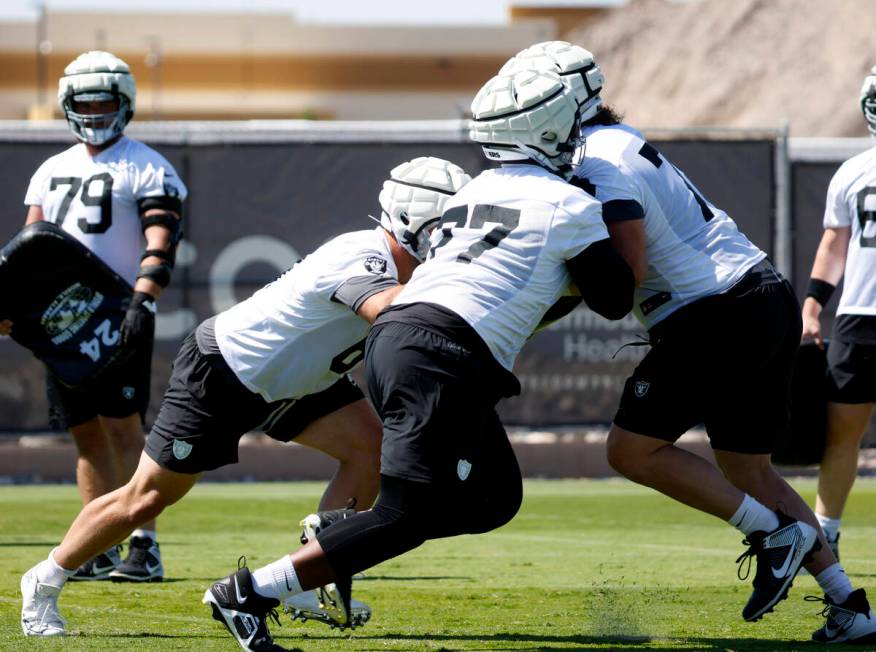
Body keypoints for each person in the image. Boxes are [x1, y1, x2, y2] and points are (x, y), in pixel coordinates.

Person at [203, 67, 635, 652]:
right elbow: (614, 299)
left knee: (495, 498)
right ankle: (249, 591)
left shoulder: (478, 189)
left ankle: (339, 534)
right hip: (439, 354)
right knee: (405, 514)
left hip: (412, 343)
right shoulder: (568, 202)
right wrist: (610, 216)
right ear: (543, 136)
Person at [504, 41, 876, 644]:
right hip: (759, 292)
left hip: (713, 309)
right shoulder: (617, 140)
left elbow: (624, 275)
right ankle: (849, 603)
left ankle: (771, 532)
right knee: (750, 470)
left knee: (630, 451)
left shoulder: (598, 160)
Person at [19, 155, 471, 638]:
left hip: (301, 377)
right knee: (145, 498)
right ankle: (44, 580)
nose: (451, 241)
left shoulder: (410, 265)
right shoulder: (367, 256)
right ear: (409, 221)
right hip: (226, 370)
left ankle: (302, 578)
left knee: (370, 449)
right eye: (444, 228)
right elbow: (392, 315)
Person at [0, 51, 187, 584]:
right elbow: (26, 251)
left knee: (126, 431)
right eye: (85, 102)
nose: (95, 111)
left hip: (119, 310)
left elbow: (162, 239)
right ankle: (97, 544)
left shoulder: (148, 164)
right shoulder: (51, 169)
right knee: (85, 436)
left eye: (105, 101)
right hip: (63, 319)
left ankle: (143, 545)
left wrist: (143, 298)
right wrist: (10, 307)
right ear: (67, 106)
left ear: (125, 103)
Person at [801, 67, 876, 566]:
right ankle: (826, 532)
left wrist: (813, 303)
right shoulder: (853, 171)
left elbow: (834, 245)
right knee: (841, 430)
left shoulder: (855, 170)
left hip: (858, 316)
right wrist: (813, 303)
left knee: (843, 432)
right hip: (859, 315)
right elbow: (835, 245)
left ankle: (825, 531)